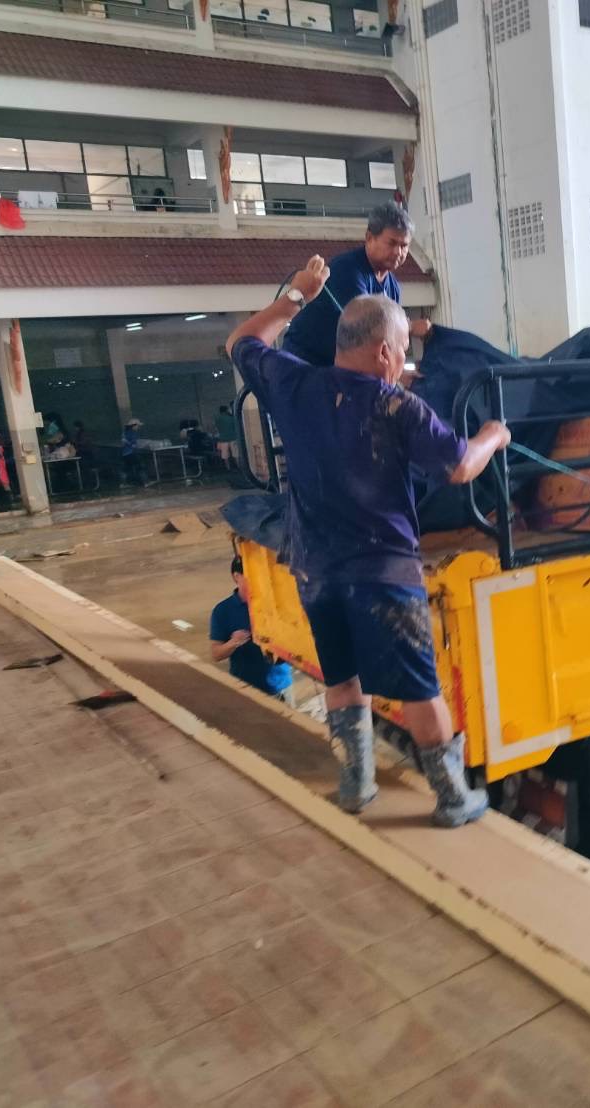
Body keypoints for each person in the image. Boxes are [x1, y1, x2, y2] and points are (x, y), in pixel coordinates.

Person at [226, 260, 510, 827]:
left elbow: (240, 341)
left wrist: (295, 298)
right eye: (403, 348)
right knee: (420, 689)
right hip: (383, 574)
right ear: (385, 351)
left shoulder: (294, 382)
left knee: (342, 677)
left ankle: (357, 785)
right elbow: (458, 468)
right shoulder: (397, 406)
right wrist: (491, 435)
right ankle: (453, 797)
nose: (405, 360)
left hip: (314, 569)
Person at [282, 200, 432, 368]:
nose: (399, 252)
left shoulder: (393, 287)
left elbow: (388, 341)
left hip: (340, 370)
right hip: (304, 365)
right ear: (369, 238)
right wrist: (410, 327)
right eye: (391, 243)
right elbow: (369, 329)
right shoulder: (348, 271)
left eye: (404, 246)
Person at [210, 555, 293, 699]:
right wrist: (233, 643)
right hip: (245, 692)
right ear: (237, 576)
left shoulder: (276, 603)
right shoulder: (223, 611)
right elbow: (216, 654)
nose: (258, 579)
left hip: (281, 688)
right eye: (251, 575)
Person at [120, 419, 145, 485]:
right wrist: (131, 444)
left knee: (125, 469)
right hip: (131, 453)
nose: (138, 428)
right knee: (140, 466)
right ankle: (145, 482)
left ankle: (123, 484)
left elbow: (123, 442)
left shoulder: (125, 432)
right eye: (137, 426)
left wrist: (126, 442)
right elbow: (133, 445)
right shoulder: (133, 433)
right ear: (134, 426)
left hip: (125, 454)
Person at [215, 403, 238, 470]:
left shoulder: (217, 418)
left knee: (225, 455)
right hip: (233, 437)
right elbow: (235, 427)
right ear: (226, 410)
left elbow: (217, 428)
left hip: (223, 439)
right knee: (236, 454)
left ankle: (228, 468)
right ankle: (239, 467)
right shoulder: (231, 418)